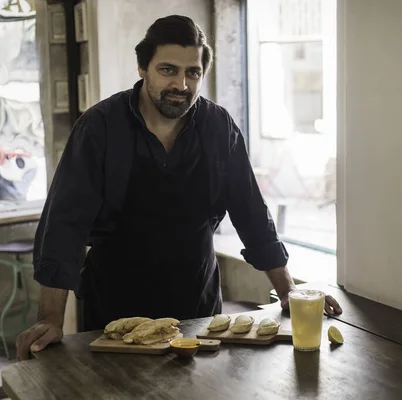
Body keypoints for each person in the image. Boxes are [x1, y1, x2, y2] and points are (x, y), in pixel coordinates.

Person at [16, 15, 342, 361]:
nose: (181, 85)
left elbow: (251, 214)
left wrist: (288, 291)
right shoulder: (100, 128)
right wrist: (50, 319)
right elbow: (64, 226)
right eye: (168, 70)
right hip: (113, 310)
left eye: (193, 73)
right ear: (143, 68)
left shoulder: (218, 127)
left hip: (197, 307)